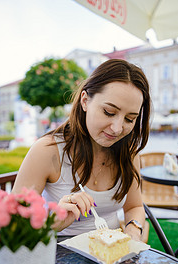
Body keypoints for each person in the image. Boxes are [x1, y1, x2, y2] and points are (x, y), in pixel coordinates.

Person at [12, 59, 151, 241]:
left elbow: (134, 207)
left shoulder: (128, 152)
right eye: (109, 112)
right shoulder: (48, 150)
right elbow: (12, 222)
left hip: (110, 259)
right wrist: (54, 221)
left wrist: (134, 229)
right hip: (56, 257)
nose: (117, 129)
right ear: (85, 101)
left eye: (129, 119)